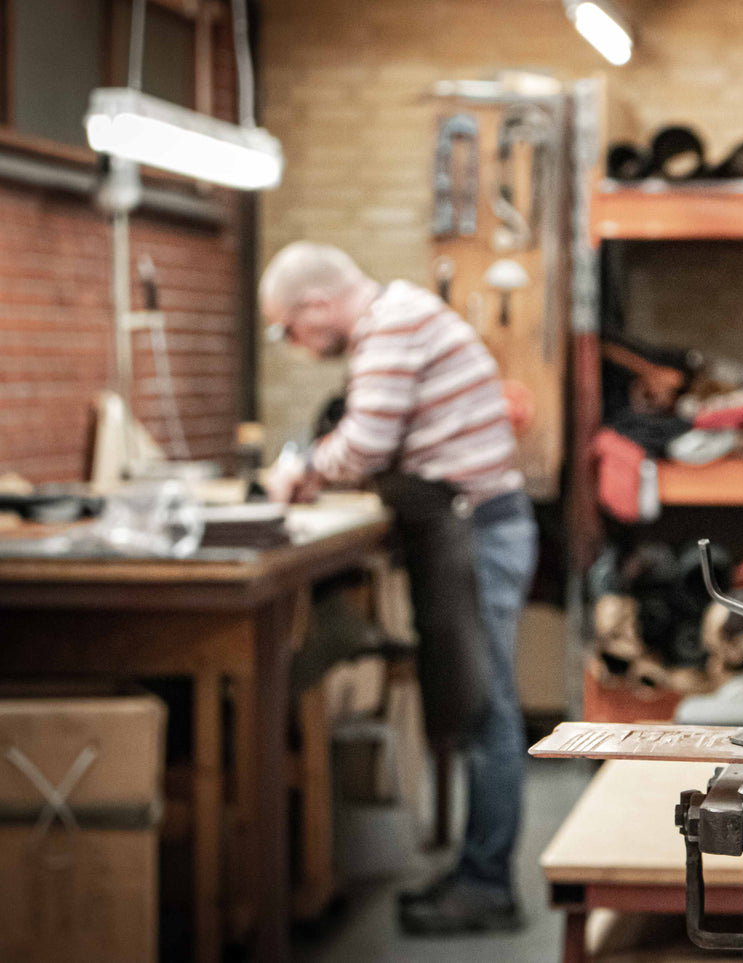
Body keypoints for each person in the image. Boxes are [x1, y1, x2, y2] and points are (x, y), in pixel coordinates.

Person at [260, 241, 537, 934]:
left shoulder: (391, 325)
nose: (292, 343)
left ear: (316, 305)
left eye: (285, 329)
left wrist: (298, 468)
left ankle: (487, 885)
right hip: (471, 526)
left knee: (487, 708)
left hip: (478, 531)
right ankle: (478, 870)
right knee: (477, 704)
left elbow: (364, 444)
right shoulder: (400, 316)